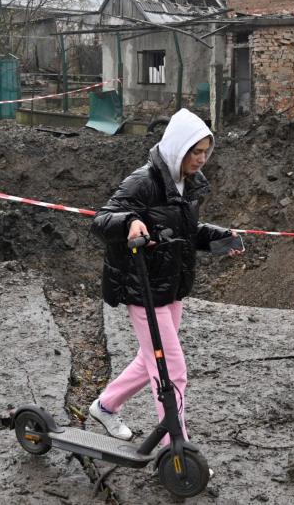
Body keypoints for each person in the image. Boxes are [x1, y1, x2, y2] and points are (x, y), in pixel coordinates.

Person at [88, 109, 242, 443]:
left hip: (171, 287)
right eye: (195, 151)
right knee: (172, 370)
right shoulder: (143, 181)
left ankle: (105, 406)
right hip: (143, 288)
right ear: (177, 147)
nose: (202, 159)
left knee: (150, 359)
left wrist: (218, 239)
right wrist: (129, 221)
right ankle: (177, 451)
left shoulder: (187, 184)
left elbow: (185, 232)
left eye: (205, 152)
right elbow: (101, 221)